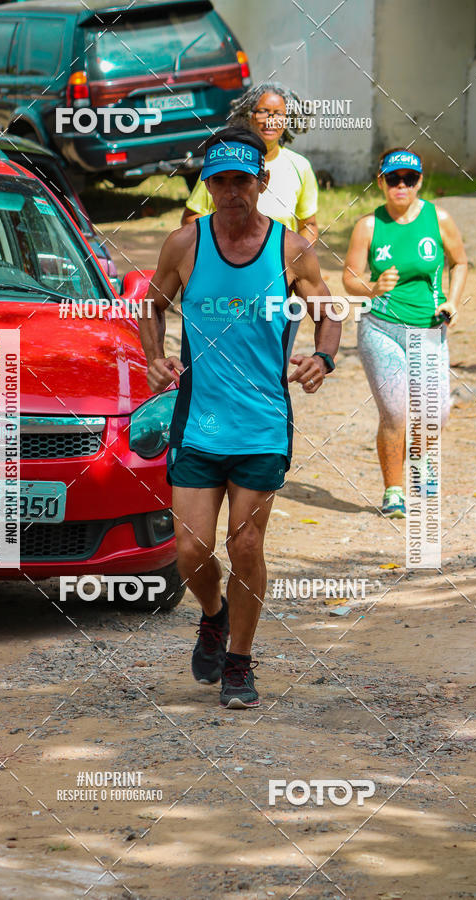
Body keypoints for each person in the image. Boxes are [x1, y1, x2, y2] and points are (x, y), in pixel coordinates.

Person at [139, 125, 340, 708]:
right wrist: (156, 359)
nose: (231, 192)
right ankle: (213, 613)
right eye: (220, 181)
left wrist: (323, 356)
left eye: (241, 180)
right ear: (207, 186)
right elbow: (149, 305)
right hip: (198, 421)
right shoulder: (186, 244)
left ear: (262, 181)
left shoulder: (290, 250)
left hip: (261, 425)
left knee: (246, 548)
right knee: (191, 551)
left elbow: (330, 309)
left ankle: (239, 663)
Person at [343, 148, 467, 517]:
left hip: (429, 328)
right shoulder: (368, 225)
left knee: (437, 412)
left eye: (409, 179)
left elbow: (460, 262)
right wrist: (373, 287)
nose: (401, 186)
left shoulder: (438, 218)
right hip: (380, 327)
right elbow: (349, 278)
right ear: (380, 181)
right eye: (393, 179)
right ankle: (394, 490)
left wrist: (454, 301)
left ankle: (421, 460)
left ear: (419, 182)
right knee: (396, 413)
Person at [181, 82, 319, 244]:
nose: (271, 120)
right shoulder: (225, 160)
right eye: (263, 112)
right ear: (248, 115)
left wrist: (295, 256)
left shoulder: (300, 166)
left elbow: (308, 224)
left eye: (279, 113)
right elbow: (191, 218)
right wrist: (221, 248)